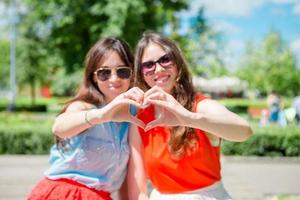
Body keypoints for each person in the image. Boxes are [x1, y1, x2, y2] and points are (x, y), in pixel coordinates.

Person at [127, 32, 252, 200]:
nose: (158, 68)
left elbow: (244, 131)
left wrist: (188, 118)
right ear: (141, 72)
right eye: (148, 65)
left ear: (177, 63)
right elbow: (139, 188)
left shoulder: (199, 106)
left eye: (165, 59)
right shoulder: (140, 118)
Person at [27, 37, 145, 200]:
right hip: (67, 194)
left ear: (132, 73)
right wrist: (102, 115)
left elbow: (129, 176)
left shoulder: (132, 113)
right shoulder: (84, 107)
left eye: (122, 71)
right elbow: (59, 127)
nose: (114, 78)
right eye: (104, 73)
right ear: (94, 77)